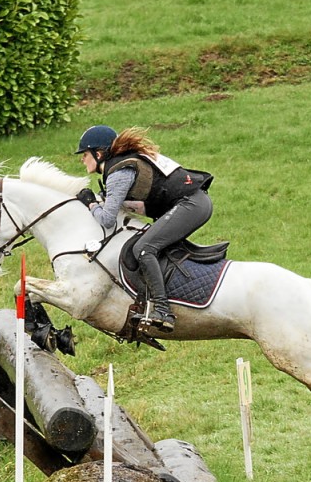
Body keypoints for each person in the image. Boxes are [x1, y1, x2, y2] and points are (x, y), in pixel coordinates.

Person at [75, 124, 214, 334]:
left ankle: (162, 310)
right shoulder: (124, 164)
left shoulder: (119, 171)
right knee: (150, 244)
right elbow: (141, 206)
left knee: (143, 248)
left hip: (191, 204)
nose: (82, 159)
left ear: (99, 153)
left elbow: (107, 220)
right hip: (192, 203)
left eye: (85, 154)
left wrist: (91, 204)